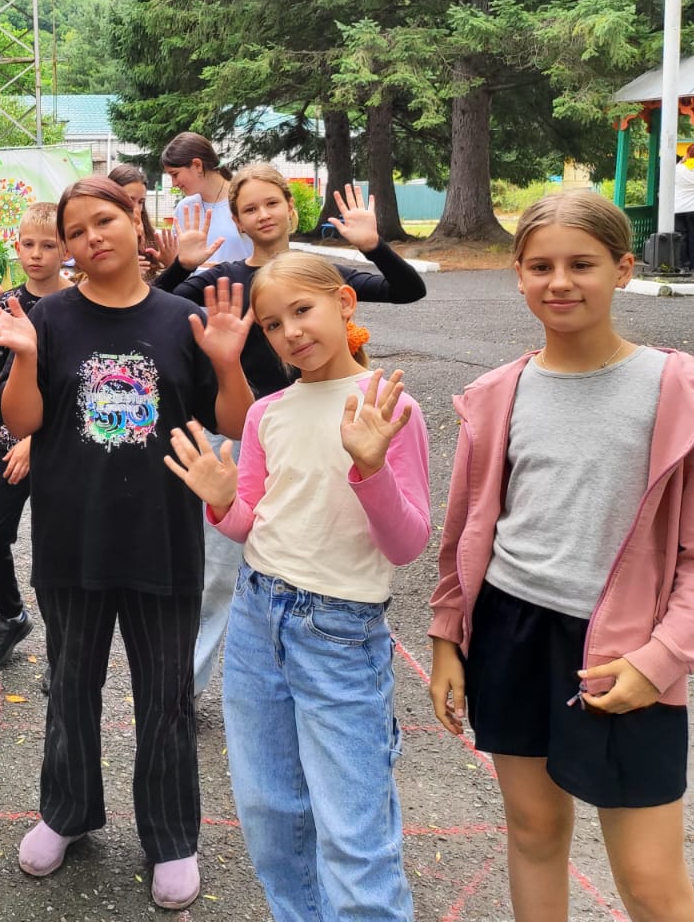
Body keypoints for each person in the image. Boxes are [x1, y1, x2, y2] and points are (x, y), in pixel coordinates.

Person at [0, 176, 252, 912]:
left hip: (165, 537)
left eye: (105, 220)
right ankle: (66, 812)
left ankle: (171, 836)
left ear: (135, 219)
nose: (92, 238)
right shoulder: (49, 318)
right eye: (76, 231)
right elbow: (23, 423)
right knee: (70, 686)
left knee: (166, 697)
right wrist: (23, 355)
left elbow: (235, 421)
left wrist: (227, 363)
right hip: (73, 536)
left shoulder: (183, 319)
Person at [429, 193, 694, 922]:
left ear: (623, 269)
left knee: (650, 881)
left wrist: (661, 659)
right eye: (540, 266)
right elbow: (464, 533)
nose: (560, 282)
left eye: (582, 264)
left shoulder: (677, 391)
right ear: (518, 273)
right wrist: (447, 638)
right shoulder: (496, 395)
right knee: (534, 830)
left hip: (624, 650)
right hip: (510, 632)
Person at [165, 252, 430, 921]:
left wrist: (371, 468)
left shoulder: (388, 408)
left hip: (340, 631)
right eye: (273, 324)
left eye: (303, 311)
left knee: (354, 832)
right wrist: (221, 502)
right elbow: (251, 523)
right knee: (270, 813)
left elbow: (406, 544)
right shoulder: (268, 414)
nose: (291, 333)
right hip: (258, 617)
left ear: (345, 303)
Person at [155, 170, 428, 698]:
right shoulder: (226, 278)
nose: (263, 215)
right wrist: (181, 266)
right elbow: (154, 307)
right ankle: (186, 691)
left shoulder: (318, 273)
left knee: (326, 544)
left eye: (271, 203)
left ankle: (321, 652)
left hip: (337, 430)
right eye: (249, 208)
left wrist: (373, 245)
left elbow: (408, 289)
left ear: (290, 209)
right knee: (218, 574)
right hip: (250, 431)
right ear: (237, 222)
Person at [0, 202, 66, 671]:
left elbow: (75, 388)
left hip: (59, 443)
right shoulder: (8, 303)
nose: (36, 254)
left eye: (48, 245)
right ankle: (11, 614)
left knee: (55, 550)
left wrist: (34, 440)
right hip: (9, 438)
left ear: (66, 249)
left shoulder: (78, 305)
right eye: (28, 244)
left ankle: (62, 650)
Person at [160, 133, 250, 264]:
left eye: (175, 174)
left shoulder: (246, 199)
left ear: (197, 165)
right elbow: (180, 262)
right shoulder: (184, 208)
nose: (174, 183)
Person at [107, 164, 164, 281]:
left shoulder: (150, 237)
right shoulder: (100, 236)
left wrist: (172, 263)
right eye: (129, 199)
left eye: (141, 201)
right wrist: (123, 273)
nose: (136, 208)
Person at [674, 144, 694, 271]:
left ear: (687, 153)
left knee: (681, 237)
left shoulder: (678, 168)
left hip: (678, 208)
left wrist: (682, 161)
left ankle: (683, 265)